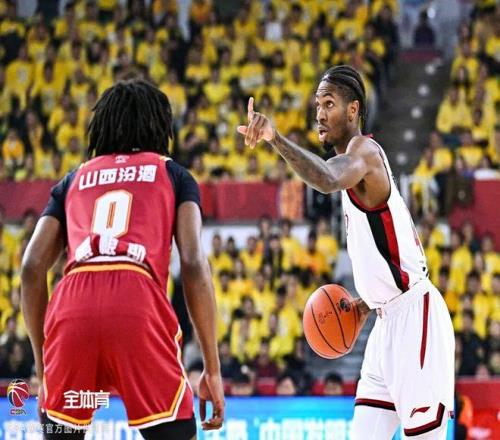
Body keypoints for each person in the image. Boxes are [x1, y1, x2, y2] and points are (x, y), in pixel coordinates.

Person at [238, 65, 455, 439]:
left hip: (415, 318)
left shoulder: (364, 153)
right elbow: (389, 252)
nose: (319, 114)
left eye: (329, 104)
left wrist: (275, 138)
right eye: (317, 105)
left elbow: (325, 178)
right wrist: (366, 303)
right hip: (384, 322)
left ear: (353, 110)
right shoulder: (353, 168)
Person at [21, 79, 224, 439]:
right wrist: (212, 368)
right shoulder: (172, 173)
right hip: (136, 298)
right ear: (160, 127)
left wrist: (43, 366)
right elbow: (194, 263)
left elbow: (31, 266)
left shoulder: (74, 178)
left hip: (73, 302)